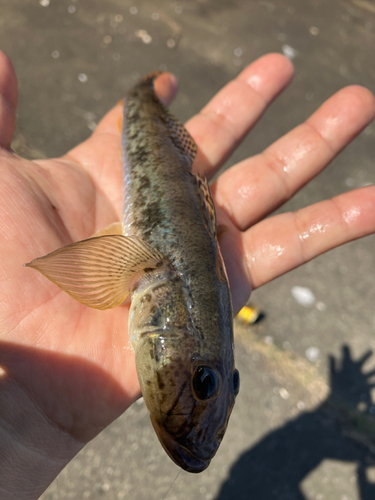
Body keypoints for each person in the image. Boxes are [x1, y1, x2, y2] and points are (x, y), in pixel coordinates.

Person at [0, 50, 374, 499]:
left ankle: (146, 88)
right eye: (207, 381)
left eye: (219, 381)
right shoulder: (153, 275)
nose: (203, 425)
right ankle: (144, 89)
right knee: (142, 104)